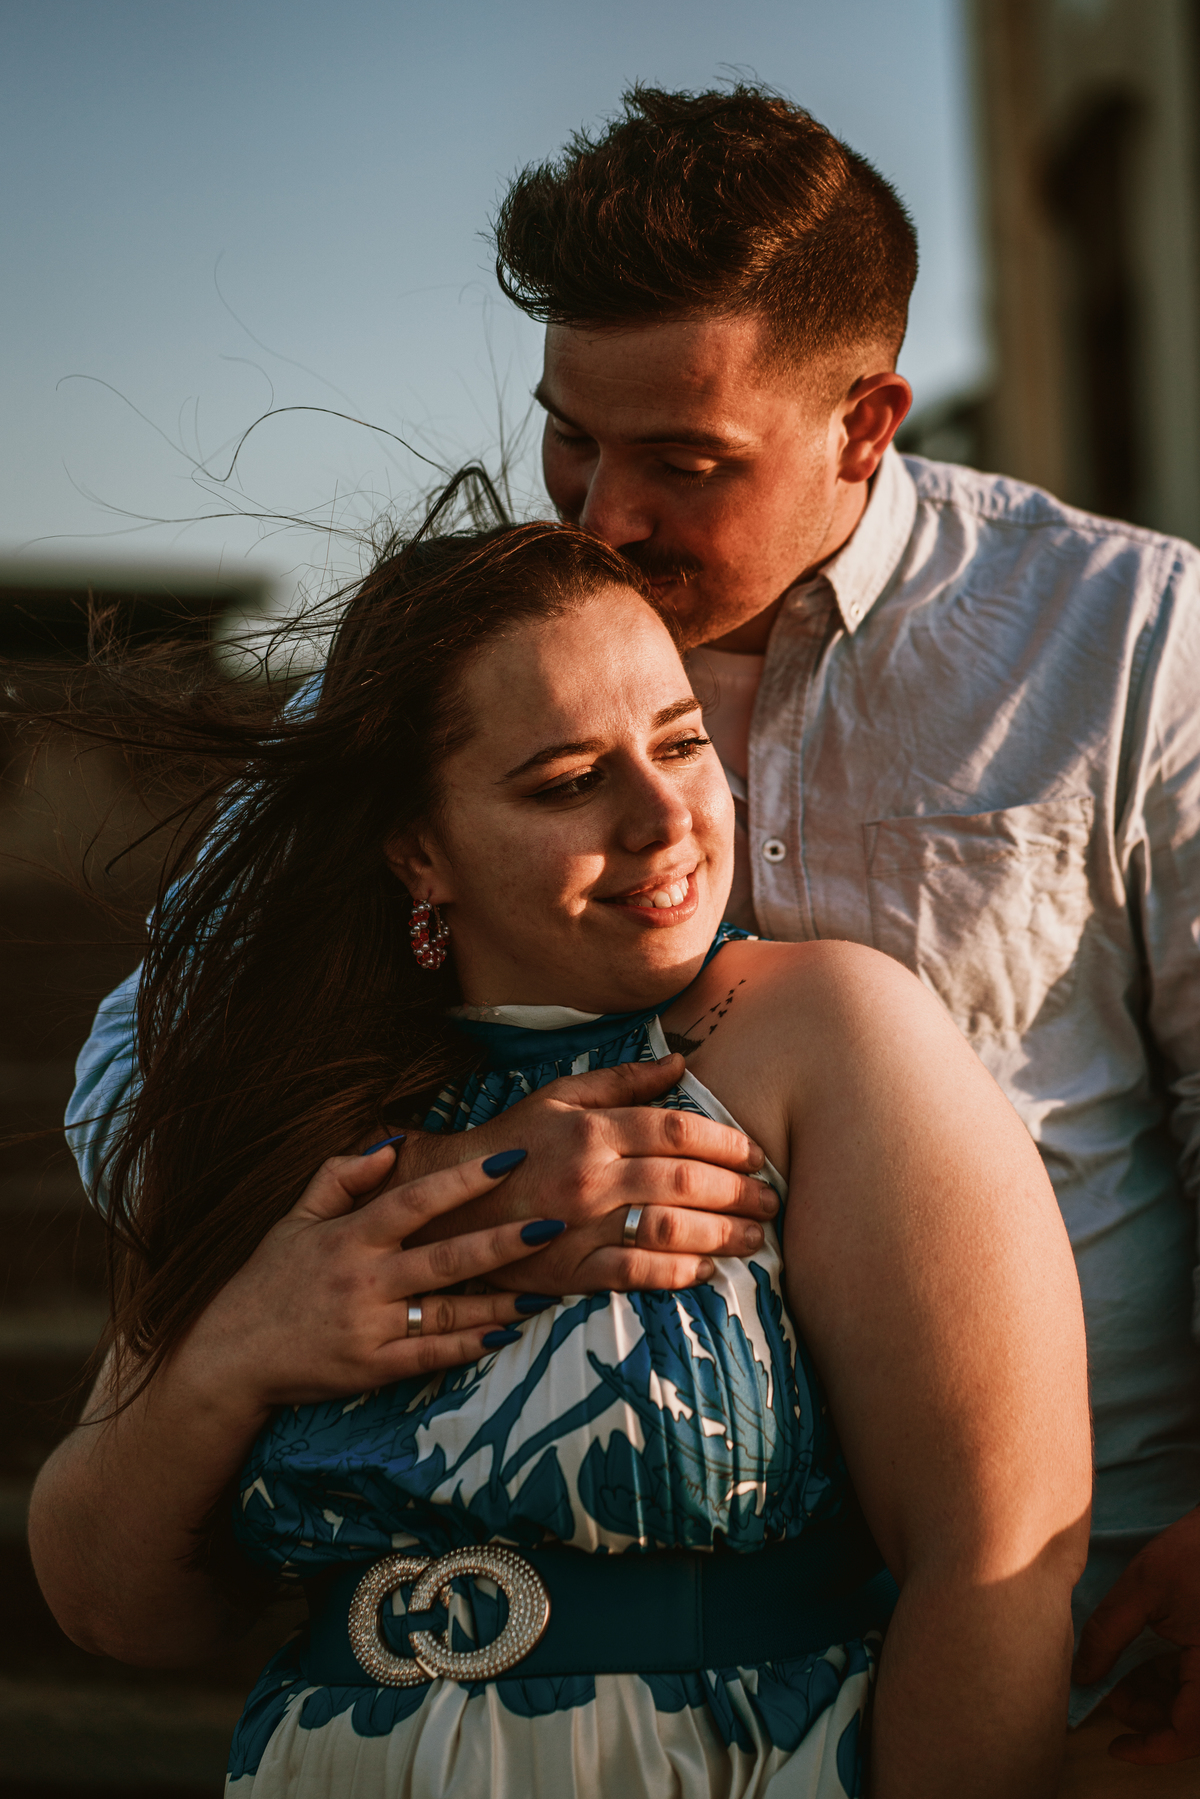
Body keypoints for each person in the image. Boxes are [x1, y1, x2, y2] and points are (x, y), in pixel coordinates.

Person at [66, 84, 1200, 1772]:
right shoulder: (439, 680)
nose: (604, 511)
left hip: (1083, 1611)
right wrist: (482, 1183)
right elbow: (130, 1091)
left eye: (685, 459)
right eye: (569, 434)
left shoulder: (1130, 639)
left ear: (867, 419)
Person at [31, 519, 1088, 1797]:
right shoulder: (280, 1106)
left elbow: (996, 1565)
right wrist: (241, 1346)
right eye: (567, 780)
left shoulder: (826, 1035)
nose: (663, 818)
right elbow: (113, 1606)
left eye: (684, 741)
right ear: (417, 847)